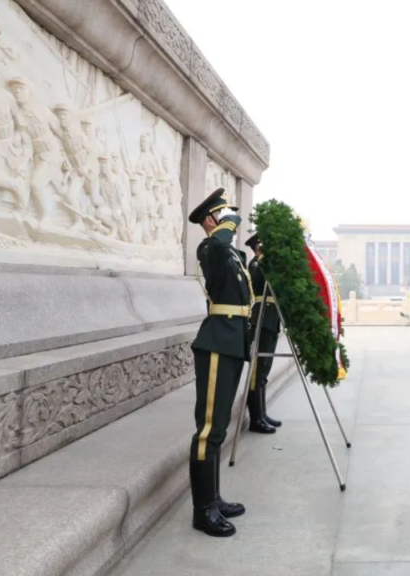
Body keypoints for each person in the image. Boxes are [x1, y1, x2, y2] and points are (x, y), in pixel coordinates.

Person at [185, 188, 252, 537]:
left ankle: (214, 498)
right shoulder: (210, 248)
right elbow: (220, 244)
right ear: (211, 219)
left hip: (232, 341)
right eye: (225, 215)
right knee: (208, 429)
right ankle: (203, 509)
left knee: (220, 427)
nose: (232, 221)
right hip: (216, 343)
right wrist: (225, 226)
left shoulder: (231, 254)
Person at [244, 232, 283, 432]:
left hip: (271, 319)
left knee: (264, 370)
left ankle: (262, 413)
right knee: (257, 372)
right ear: (258, 246)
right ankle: (255, 419)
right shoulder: (256, 265)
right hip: (261, 318)